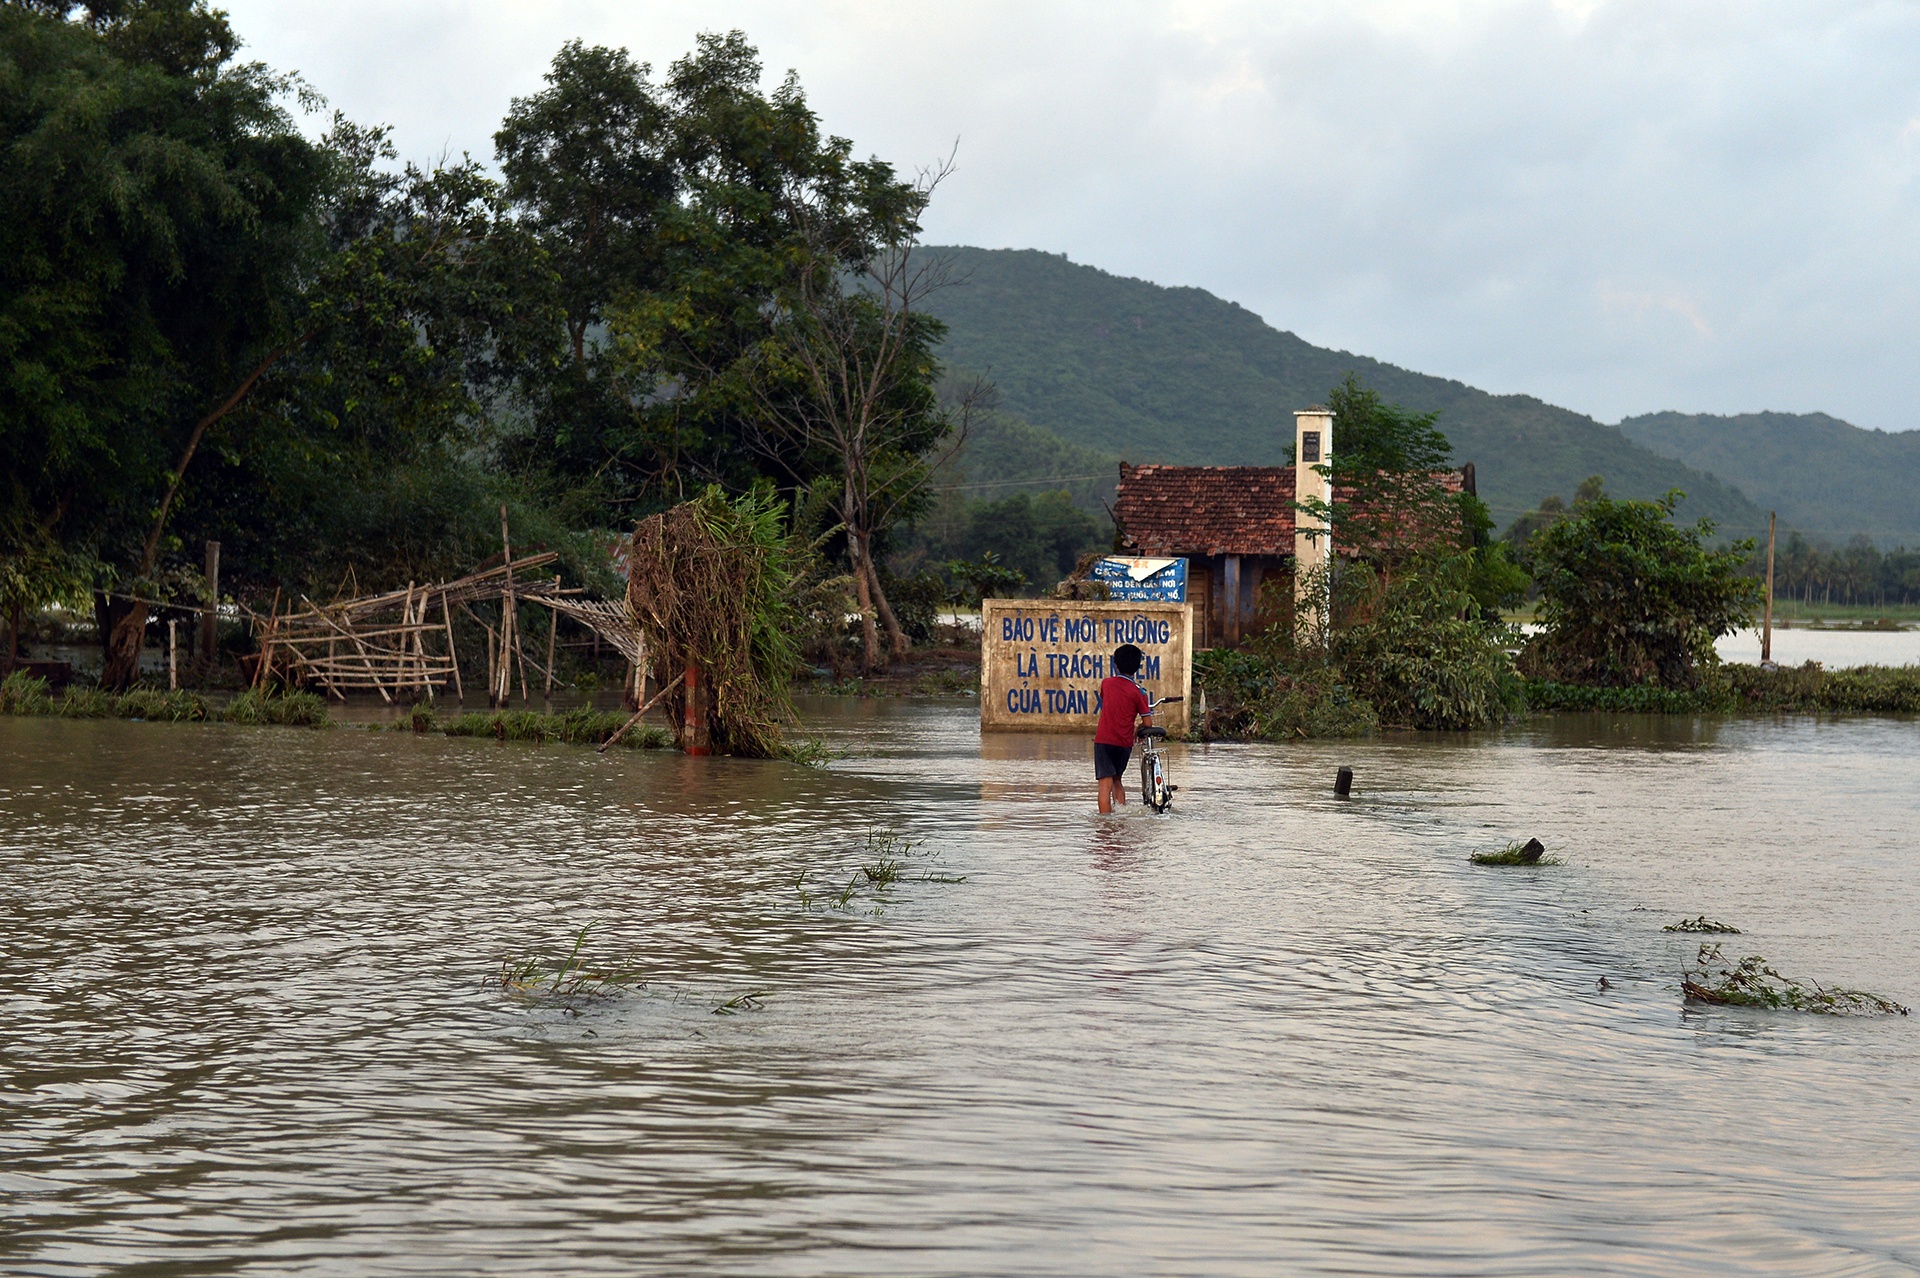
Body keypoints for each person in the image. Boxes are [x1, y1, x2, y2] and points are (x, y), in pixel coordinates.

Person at [1094, 644, 1154, 814]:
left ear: (1116, 664)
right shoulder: (1139, 692)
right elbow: (1148, 723)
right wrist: (1138, 727)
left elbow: (1105, 698)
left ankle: (1106, 827)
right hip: (1124, 743)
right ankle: (1120, 819)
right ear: (1136, 667)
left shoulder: (1106, 683)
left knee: (1104, 785)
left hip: (1104, 740)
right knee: (1117, 780)